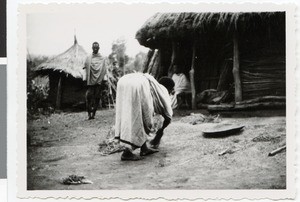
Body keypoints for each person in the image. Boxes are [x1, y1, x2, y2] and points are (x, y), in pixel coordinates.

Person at [114, 73, 174, 161]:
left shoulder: (151, 87)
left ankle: (144, 148)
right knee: (138, 118)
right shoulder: (162, 90)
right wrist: (159, 134)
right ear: (168, 88)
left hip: (123, 81)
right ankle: (127, 153)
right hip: (136, 84)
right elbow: (168, 115)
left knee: (133, 115)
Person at [84, 42, 107, 120]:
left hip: (99, 82)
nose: (95, 49)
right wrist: (85, 78)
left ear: (99, 48)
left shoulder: (102, 58)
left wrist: (104, 80)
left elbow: (104, 69)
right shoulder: (88, 57)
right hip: (90, 82)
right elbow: (85, 67)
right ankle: (89, 114)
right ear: (92, 48)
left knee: (97, 98)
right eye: (94, 48)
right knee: (88, 97)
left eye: (97, 48)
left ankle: (93, 114)